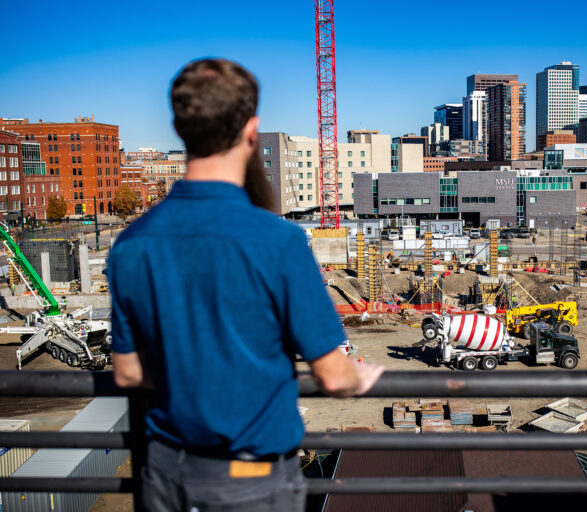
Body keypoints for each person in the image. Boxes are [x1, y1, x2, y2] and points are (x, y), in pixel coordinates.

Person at [108, 59, 385, 512]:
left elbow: (128, 372)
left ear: (180, 129)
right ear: (252, 129)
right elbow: (333, 374)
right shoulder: (277, 240)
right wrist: (361, 376)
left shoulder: (132, 243)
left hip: (165, 473)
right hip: (248, 479)